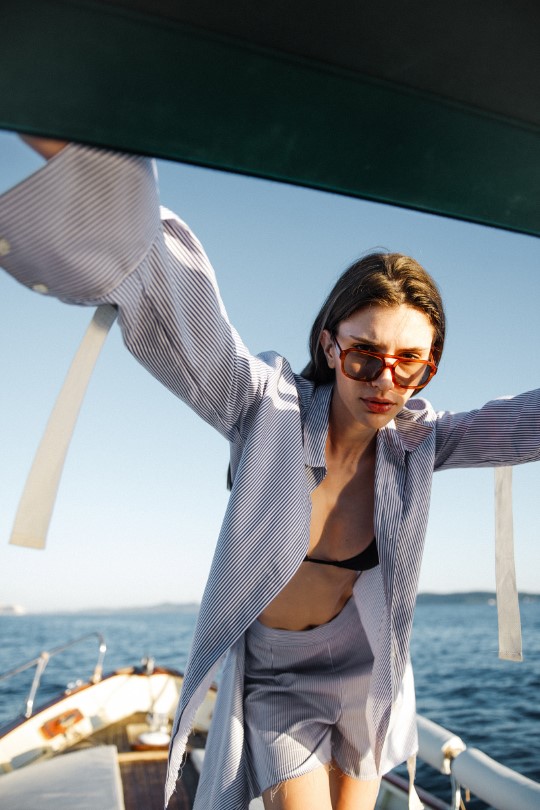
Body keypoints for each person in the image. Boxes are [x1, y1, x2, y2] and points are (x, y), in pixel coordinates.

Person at [1, 138, 539, 810]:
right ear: (330, 345)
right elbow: (179, 304)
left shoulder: (419, 441)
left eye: (411, 363)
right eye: (365, 355)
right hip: (279, 676)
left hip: (367, 671)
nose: (386, 381)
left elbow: (523, 422)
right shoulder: (266, 408)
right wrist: (88, 150)